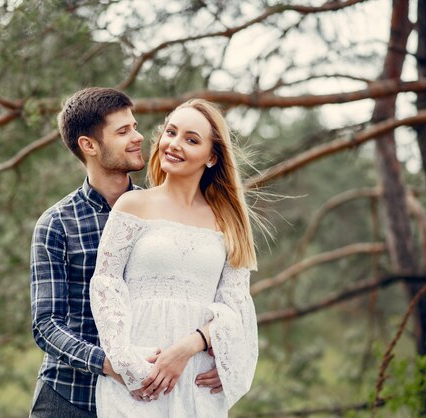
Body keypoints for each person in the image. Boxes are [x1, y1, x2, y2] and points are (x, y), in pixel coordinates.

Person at [30, 88, 224, 418]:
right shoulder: (57, 223)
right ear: (89, 145)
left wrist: (217, 353)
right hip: (68, 397)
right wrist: (110, 364)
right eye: (123, 132)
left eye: (134, 127)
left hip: (145, 401)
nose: (138, 138)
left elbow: (200, 296)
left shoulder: (160, 218)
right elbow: (46, 325)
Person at [89, 99, 259, 417]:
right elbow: (106, 285)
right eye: (171, 132)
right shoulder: (132, 205)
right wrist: (126, 360)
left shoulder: (229, 223)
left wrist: (192, 346)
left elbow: (236, 308)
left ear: (212, 157)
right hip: (142, 372)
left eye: (191, 139)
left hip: (196, 378)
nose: (174, 144)